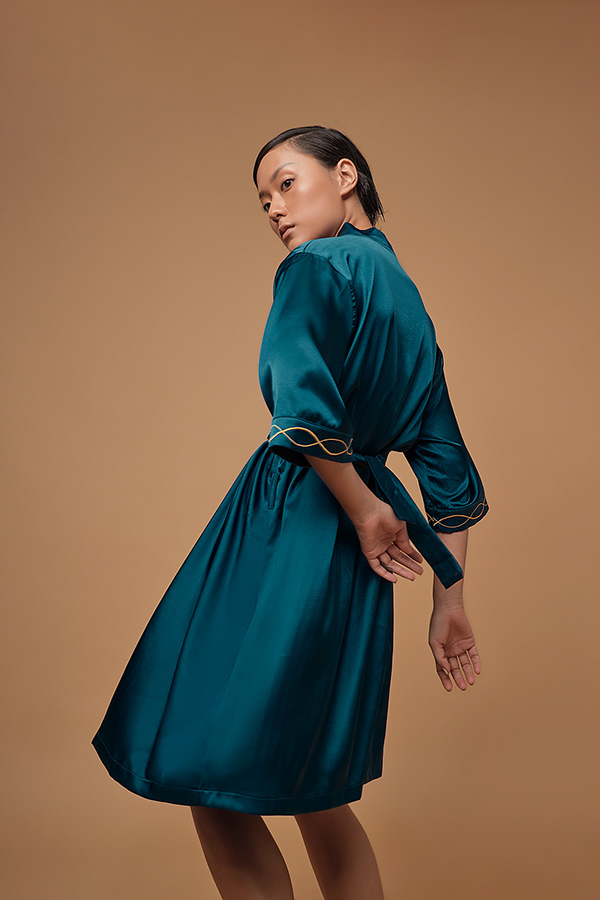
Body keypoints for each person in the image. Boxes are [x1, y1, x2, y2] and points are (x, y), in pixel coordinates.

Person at [93, 125, 488, 899]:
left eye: (286, 183)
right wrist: (450, 600)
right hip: (359, 567)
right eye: (263, 200)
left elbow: (300, 402)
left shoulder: (314, 266)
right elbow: (448, 469)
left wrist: (363, 511)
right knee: (314, 785)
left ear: (346, 175)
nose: (274, 208)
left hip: (289, 527)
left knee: (203, 765)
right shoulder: (408, 299)